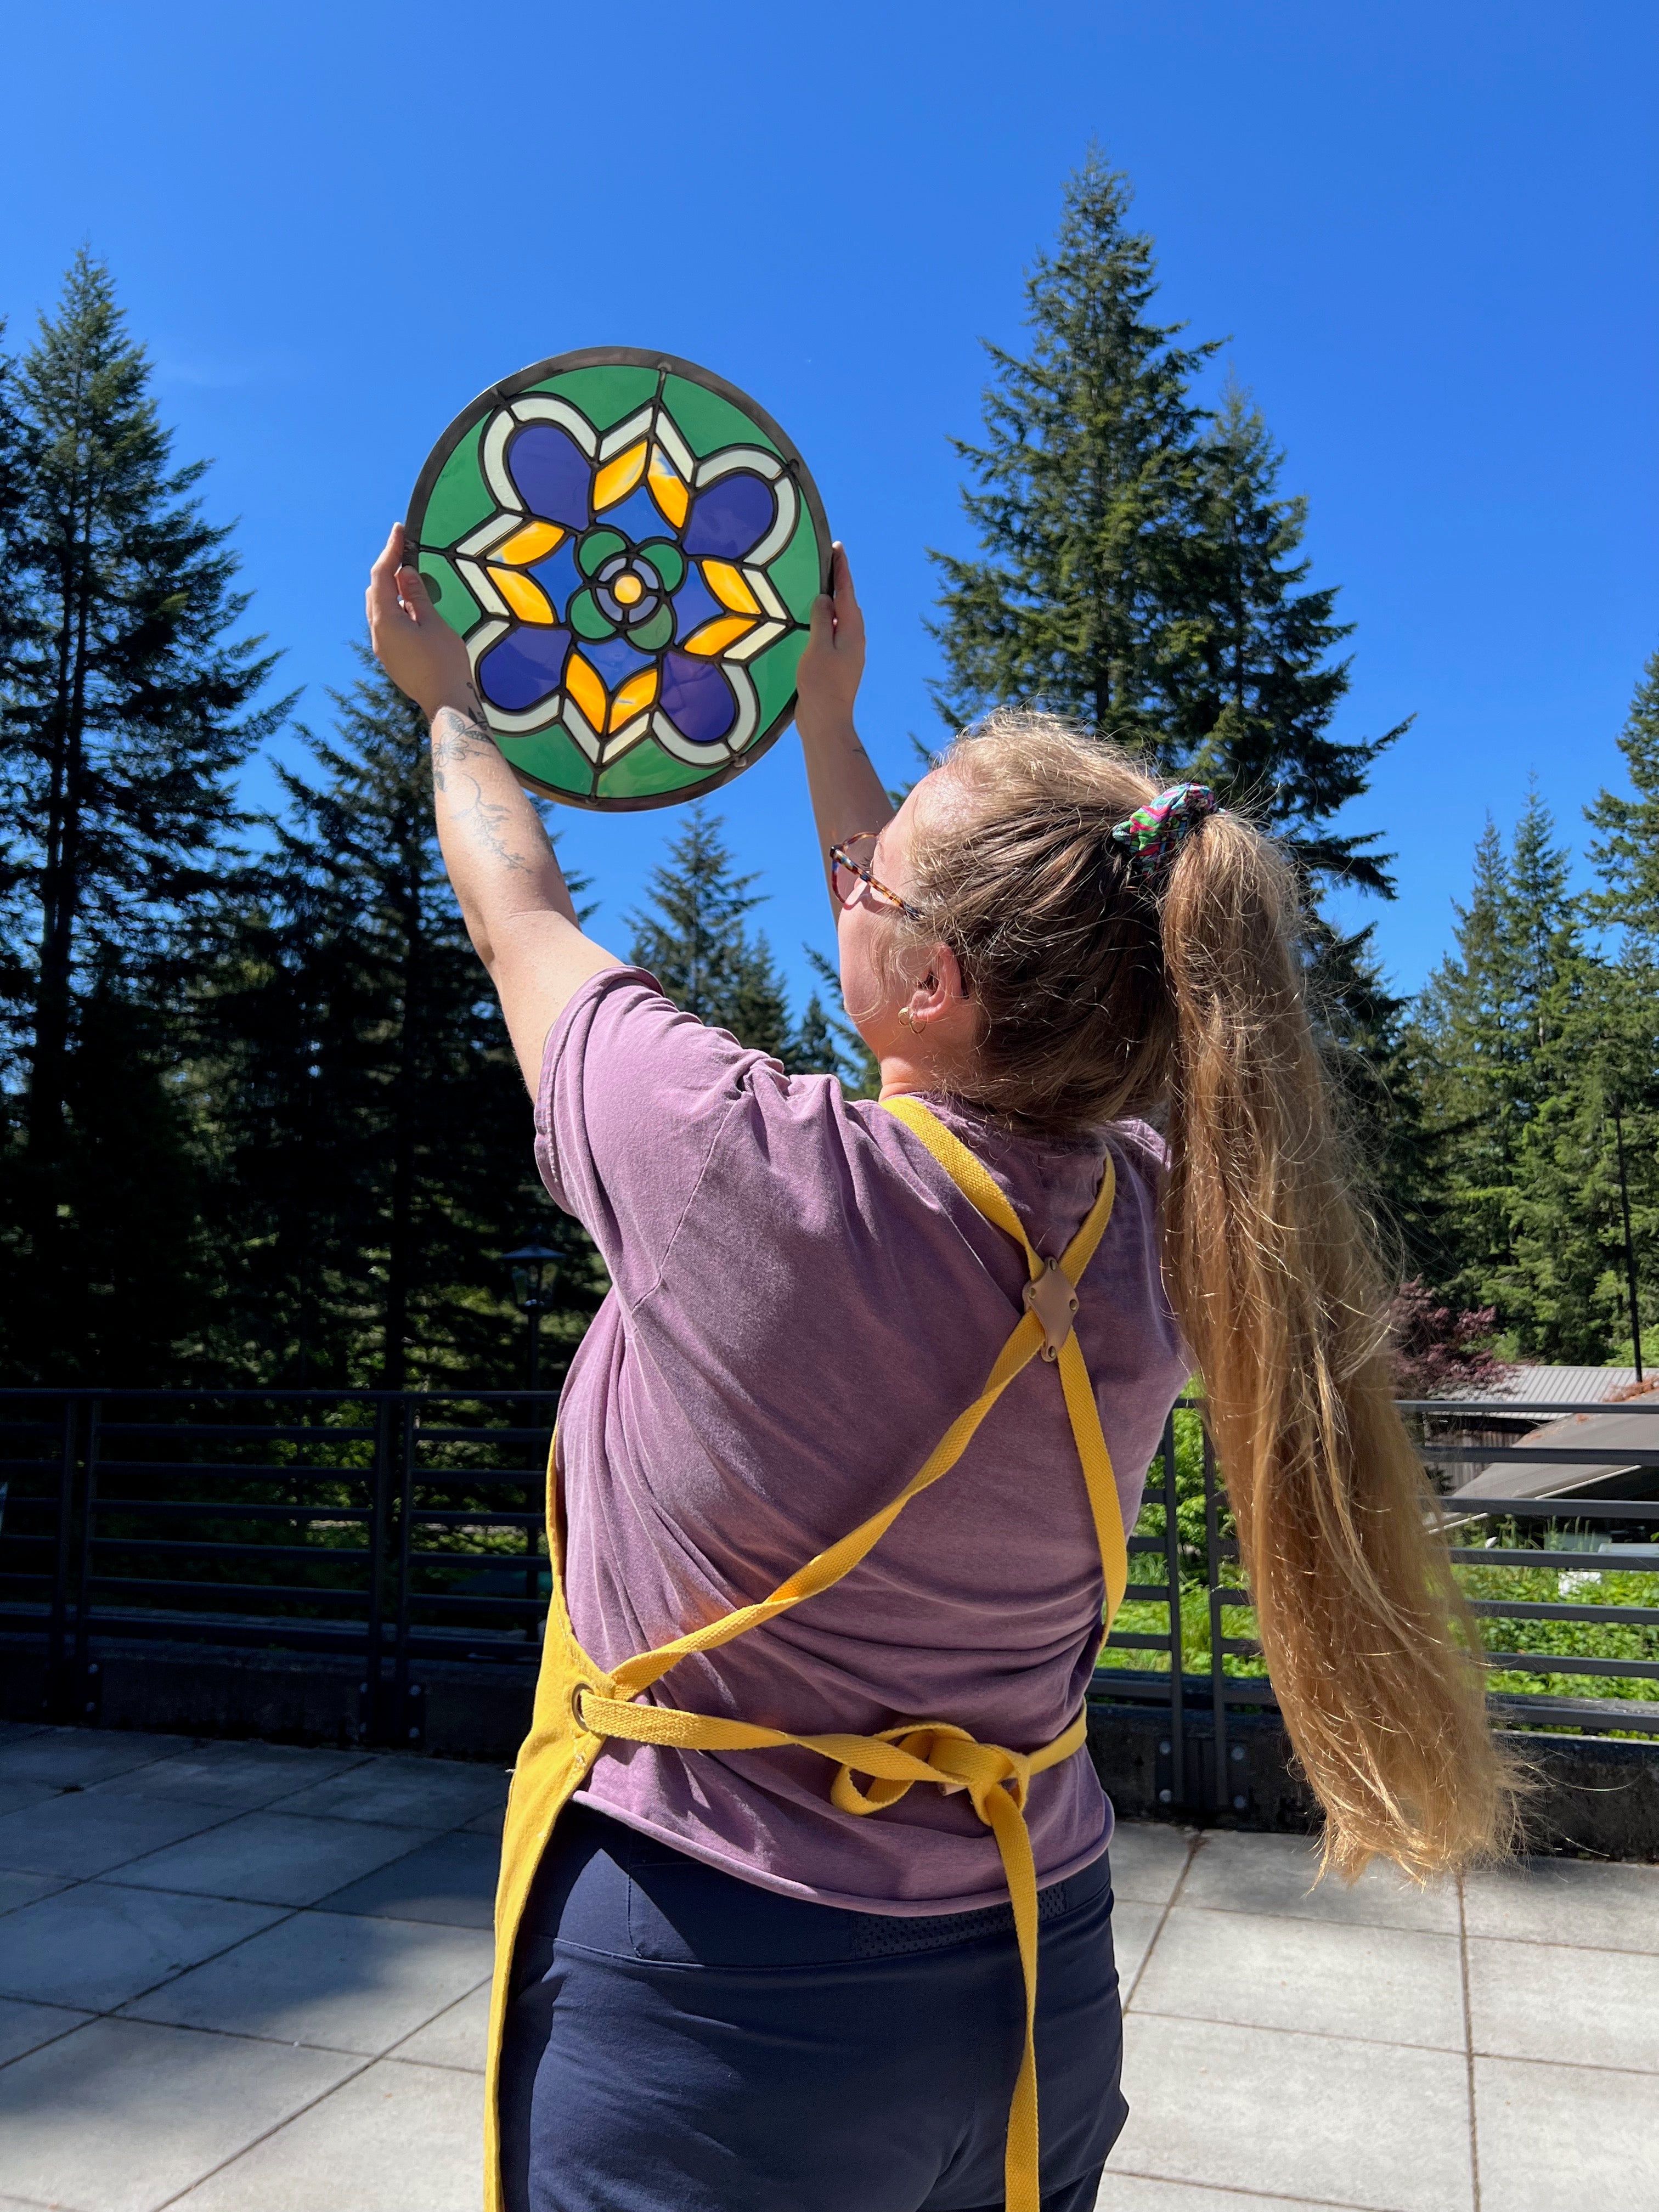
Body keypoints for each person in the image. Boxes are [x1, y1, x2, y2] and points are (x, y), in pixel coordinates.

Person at [366, 523, 1511, 2212]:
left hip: (713, 1991)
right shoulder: (1169, 1223)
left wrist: (451, 707)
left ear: (930, 977)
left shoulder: (723, 1159)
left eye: (877, 864)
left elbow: (515, 903)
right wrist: (836, 727)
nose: (853, 865)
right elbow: (964, 993)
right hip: (1035, 1976)